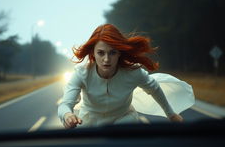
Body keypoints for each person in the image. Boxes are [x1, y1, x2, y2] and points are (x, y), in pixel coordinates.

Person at [58, 24, 195, 129]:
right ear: (93, 53)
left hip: (123, 119)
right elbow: (65, 104)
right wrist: (67, 116)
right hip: (89, 122)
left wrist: (171, 114)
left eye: (112, 53)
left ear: (119, 53)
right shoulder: (82, 73)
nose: (106, 59)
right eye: (101, 53)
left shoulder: (133, 72)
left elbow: (154, 88)